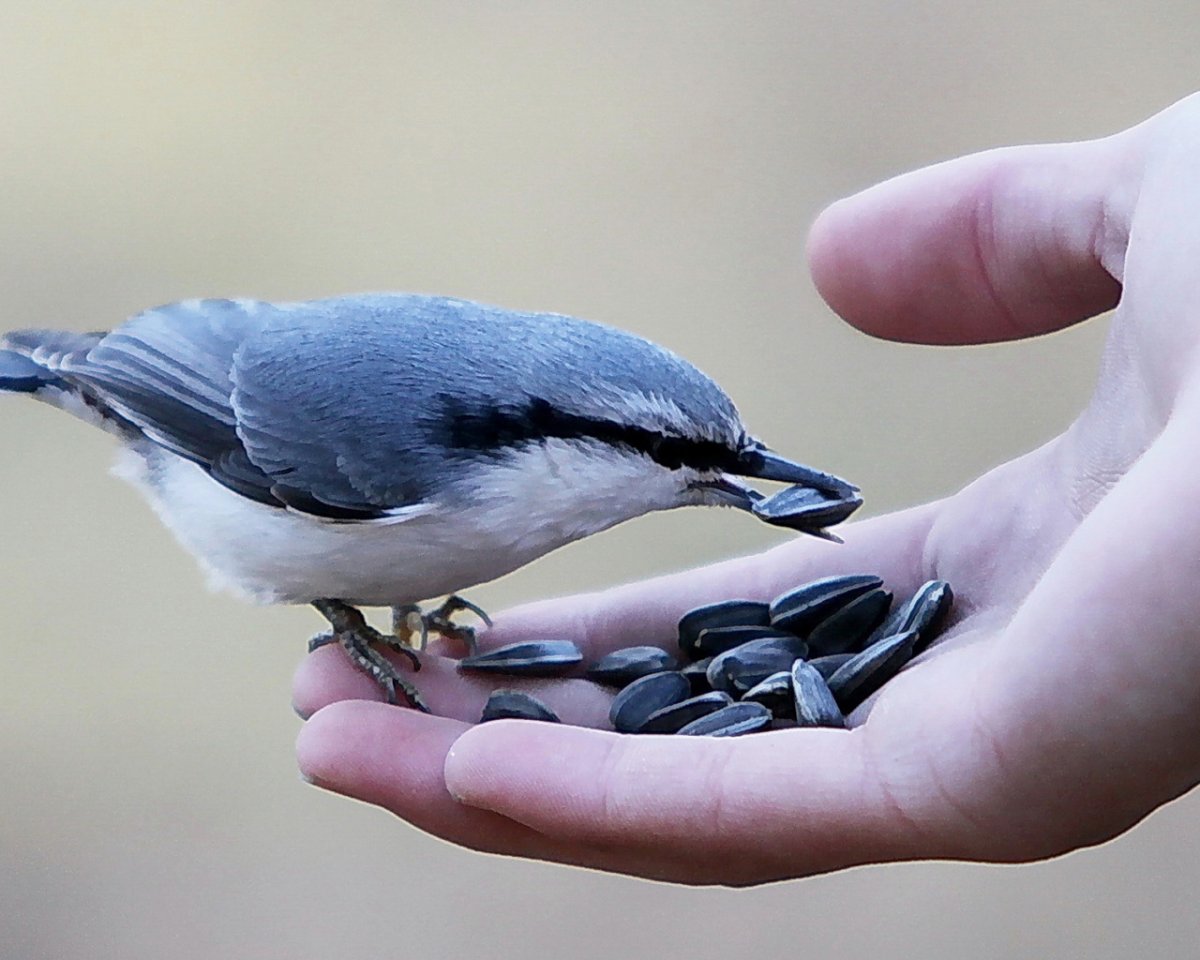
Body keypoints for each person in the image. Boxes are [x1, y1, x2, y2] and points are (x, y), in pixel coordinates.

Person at [291, 93, 1200, 885]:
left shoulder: (503, 469)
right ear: (564, 437)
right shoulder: (406, 457)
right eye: (667, 448)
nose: (758, 482)